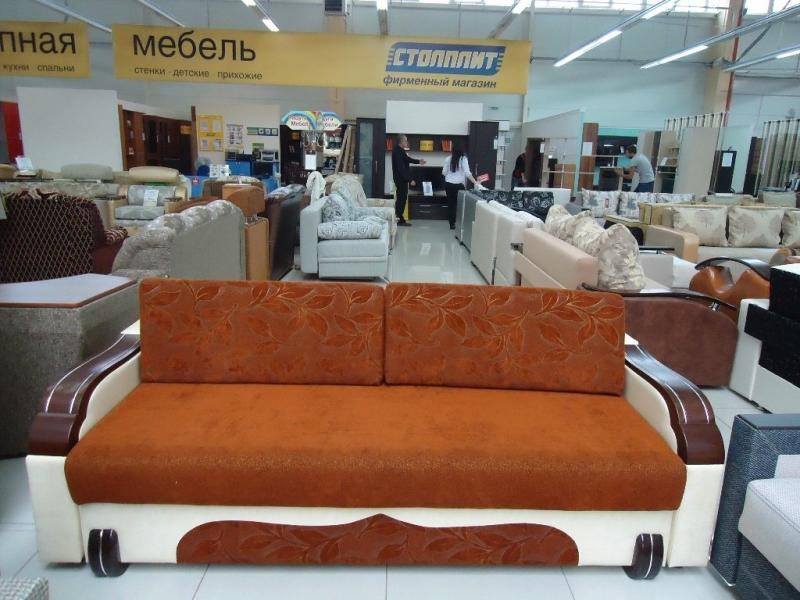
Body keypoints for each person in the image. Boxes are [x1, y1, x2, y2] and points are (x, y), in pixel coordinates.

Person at [442, 140, 482, 230]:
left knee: (451, 204)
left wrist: (451, 175)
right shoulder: (463, 159)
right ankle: (460, 223)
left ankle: (452, 224)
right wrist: (476, 183)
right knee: (460, 205)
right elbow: (468, 173)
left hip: (448, 185)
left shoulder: (448, 159)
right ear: (462, 151)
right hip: (459, 186)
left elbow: (444, 172)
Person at [391, 134, 426, 226]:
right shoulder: (397, 151)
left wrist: (419, 161)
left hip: (401, 179)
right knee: (401, 199)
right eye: (405, 140)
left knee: (401, 199)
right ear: (401, 141)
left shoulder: (400, 150)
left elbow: (407, 159)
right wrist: (410, 180)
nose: (407, 142)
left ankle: (399, 218)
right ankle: (399, 219)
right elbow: (401, 169)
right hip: (400, 179)